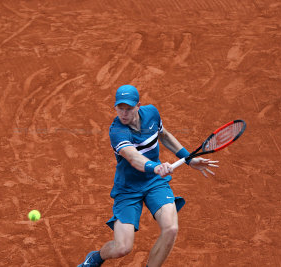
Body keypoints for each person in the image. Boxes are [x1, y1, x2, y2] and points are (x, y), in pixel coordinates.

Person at [77, 85, 219, 267]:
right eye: (120, 108)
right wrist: (156, 167)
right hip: (128, 187)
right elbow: (134, 158)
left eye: (129, 108)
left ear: (138, 106)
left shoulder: (152, 113)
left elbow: (164, 135)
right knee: (122, 248)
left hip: (154, 183)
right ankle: (95, 258)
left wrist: (188, 158)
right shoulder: (117, 131)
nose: (124, 113)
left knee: (171, 228)